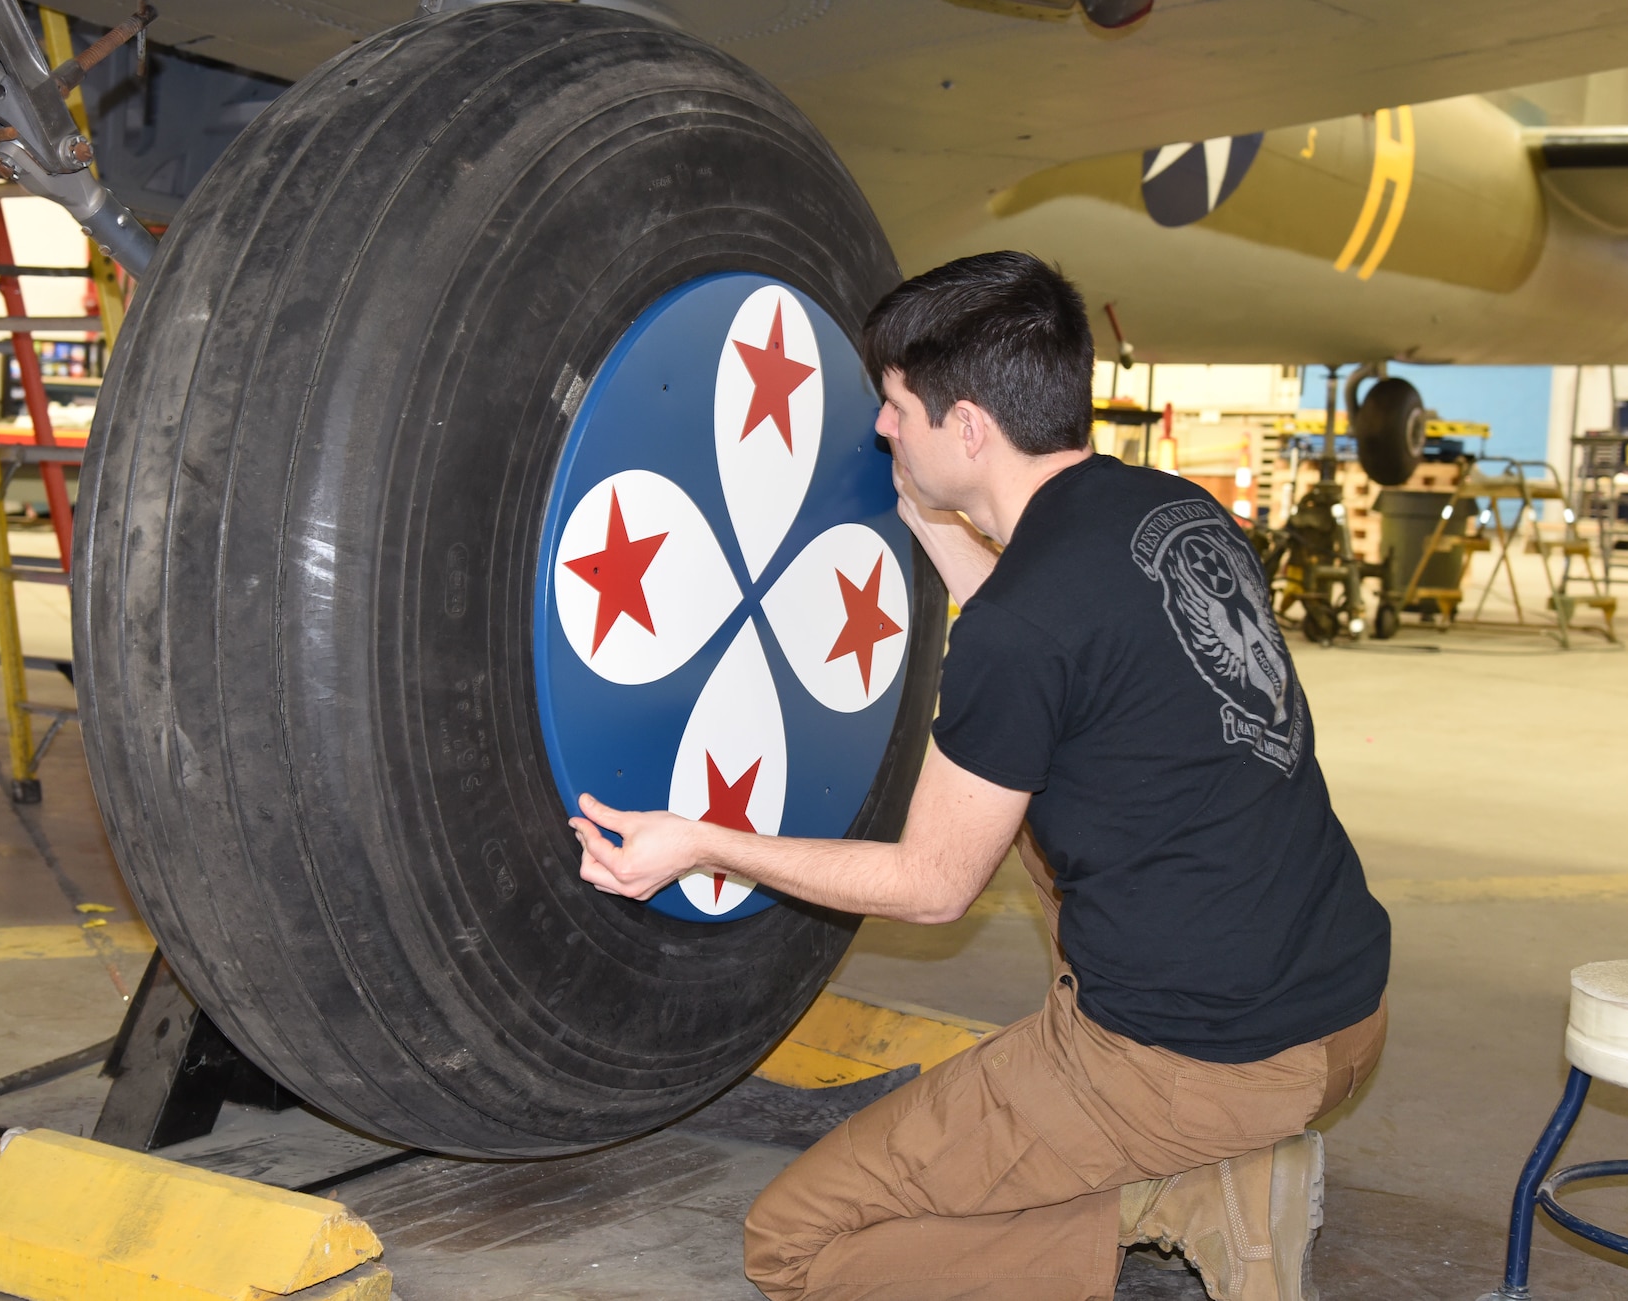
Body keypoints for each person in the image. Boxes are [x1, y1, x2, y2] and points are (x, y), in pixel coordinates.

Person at [569, 250, 1391, 1301]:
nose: (876, 430)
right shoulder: (1171, 510)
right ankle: (1195, 1155)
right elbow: (1063, 649)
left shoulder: (1019, 626)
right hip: (1338, 1003)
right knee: (1051, 820)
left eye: (895, 408)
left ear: (967, 428)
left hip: (1200, 1056)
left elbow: (930, 886)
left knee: (794, 1245)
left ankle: (1168, 1200)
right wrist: (929, 522)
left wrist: (701, 838)